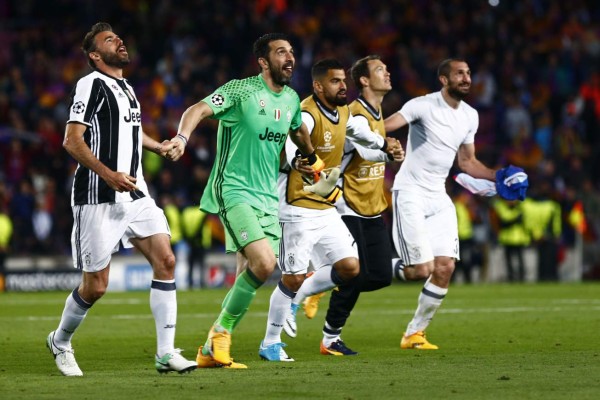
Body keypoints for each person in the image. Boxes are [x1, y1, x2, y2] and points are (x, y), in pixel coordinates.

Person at [46, 22, 197, 376]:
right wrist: (109, 174)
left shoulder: (126, 88)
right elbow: (72, 140)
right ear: (95, 56)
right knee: (96, 286)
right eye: (109, 40)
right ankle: (61, 341)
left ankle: (164, 353)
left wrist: (157, 145)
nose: (120, 41)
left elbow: (131, 130)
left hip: (135, 192)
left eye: (118, 37)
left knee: (167, 260)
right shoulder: (91, 84)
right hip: (98, 196)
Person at [167, 33, 321, 369]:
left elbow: (296, 130)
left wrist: (311, 158)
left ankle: (211, 350)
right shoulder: (241, 90)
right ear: (264, 61)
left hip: (268, 197)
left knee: (245, 275)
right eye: (281, 52)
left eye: (292, 51)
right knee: (264, 265)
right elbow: (198, 109)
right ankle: (219, 335)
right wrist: (182, 136)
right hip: (233, 190)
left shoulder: (293, 99)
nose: (290, 57)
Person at [259, 58, 400, 361]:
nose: (342, 86)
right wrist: (299, 160)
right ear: (318, 86)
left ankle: (298, 298)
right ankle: (270, 342)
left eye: (343, 81)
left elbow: (359, 134)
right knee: (292, 278)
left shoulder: (343, 112)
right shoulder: (307, 114)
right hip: (297, 207)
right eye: (335, 82)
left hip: (326, 207)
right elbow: (294, 142)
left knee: (350, 267)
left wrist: (382, 144)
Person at [384, 58, 525, 349]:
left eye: (469, 73)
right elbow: (385, 126)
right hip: (410, 191)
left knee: (445, 266)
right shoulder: (421, 105)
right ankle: (362, 268)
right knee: (419, 270)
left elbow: (467, 162)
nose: (466, 78)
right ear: (443, 80)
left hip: (438, 196)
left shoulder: (470, 116)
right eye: (459, 73)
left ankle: (414, 333)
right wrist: (383, 140)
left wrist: (499, 176)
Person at [301, 55, 403, 355]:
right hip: (347, 203)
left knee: (380, 276)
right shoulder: (354, 113)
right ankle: (331, 337)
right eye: (381, 70)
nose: (388, 73)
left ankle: (325, 280)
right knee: (355, 274)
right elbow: (366, 152)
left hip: (372, 204)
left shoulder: (378, 111)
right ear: (365, 80)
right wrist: (389, 152)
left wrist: (391, 151)